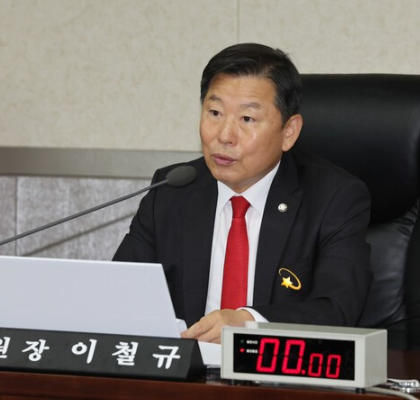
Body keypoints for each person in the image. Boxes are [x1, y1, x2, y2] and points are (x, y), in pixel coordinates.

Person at [113, 43, 372, 343]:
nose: (224, 135)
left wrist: (248, 323)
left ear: (289, 132)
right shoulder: (172, 190)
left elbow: (337, 310)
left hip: (275, 369)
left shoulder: (334, 198)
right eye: (214, 112)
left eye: (247, 119)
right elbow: (119, 295)